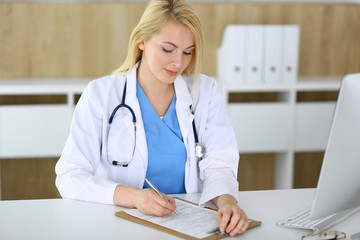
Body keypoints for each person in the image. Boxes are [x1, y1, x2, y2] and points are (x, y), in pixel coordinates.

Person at [55, 0, 249, 236]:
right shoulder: (101, 94)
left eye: (188, 52)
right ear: (142, 40)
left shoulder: (204, 92)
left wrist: (227, 202)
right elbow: (69, 176)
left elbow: (219, 162)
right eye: (168, 49)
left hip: (189, 226)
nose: (178, 62)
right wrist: (135, 197)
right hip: (122, 226)